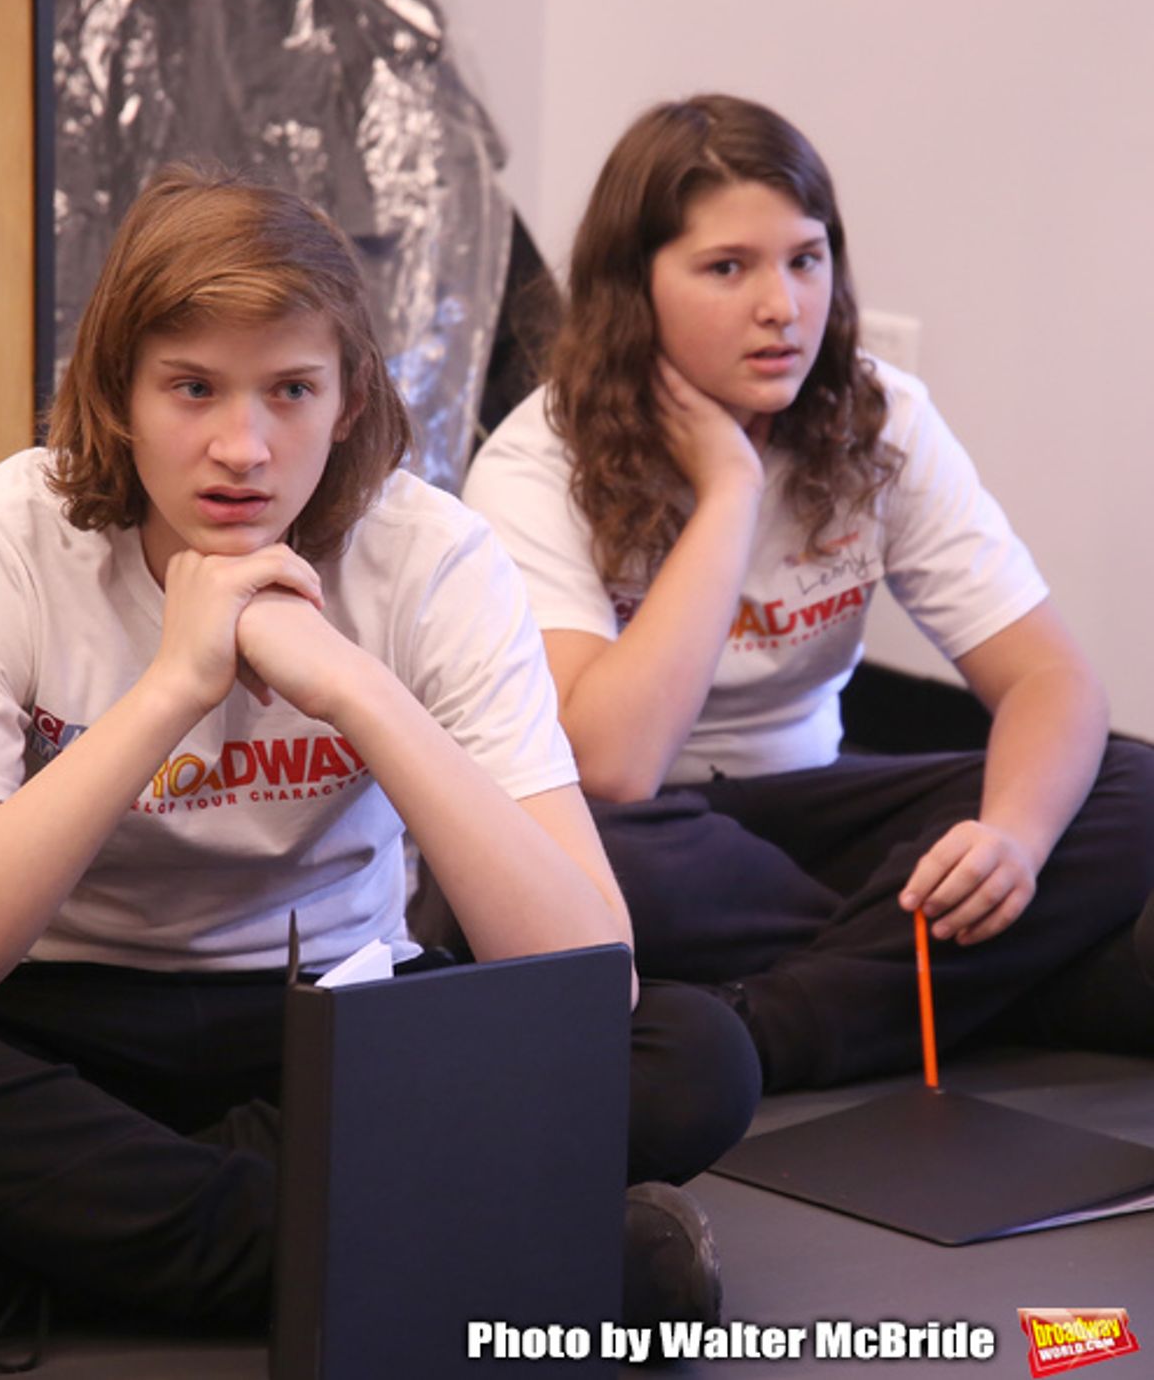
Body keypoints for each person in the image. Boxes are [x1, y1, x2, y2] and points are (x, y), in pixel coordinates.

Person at [0, 165, 759, 1342]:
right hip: (57, 1017)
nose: (242, 446)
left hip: (334, 1015)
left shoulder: (431, 556)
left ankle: (75, 1241)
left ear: (346, 401)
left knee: (691, 1056)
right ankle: (490, 1261)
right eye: (192, 387)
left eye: (290, 389)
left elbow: (591, 980)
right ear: (119, 395)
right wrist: (173, 687)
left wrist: (355, 689)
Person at [463, 95, 1154, 1093]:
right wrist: (730, 490)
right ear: (631, 289)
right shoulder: (533, 462)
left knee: (1124, 786)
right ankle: (993, 977)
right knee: (580, 864)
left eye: (804, 257)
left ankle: (769, 1027)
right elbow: (608, 765)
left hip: (816, 811)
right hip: (658, 835)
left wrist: (1009, 840)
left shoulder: (878, 417)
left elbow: (1049, 677)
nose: (781, 304)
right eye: (726, 268)